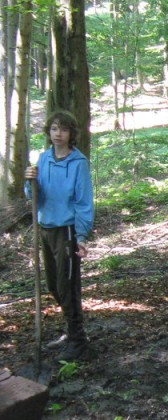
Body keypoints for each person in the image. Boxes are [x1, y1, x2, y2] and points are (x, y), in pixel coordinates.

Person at [24, 110, 94, 362]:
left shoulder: (78, 163)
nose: (58, 134)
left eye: (63, 129)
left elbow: (84, 201)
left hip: (66, 231)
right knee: (54, 285)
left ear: (71, 134)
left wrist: (82, 235)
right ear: (48, 132)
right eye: (54, 129)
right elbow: (34, 197)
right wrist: (28, 182)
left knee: (68, 286)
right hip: (46, 228)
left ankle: (79, 340)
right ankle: (70, 330)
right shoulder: (43, 159)